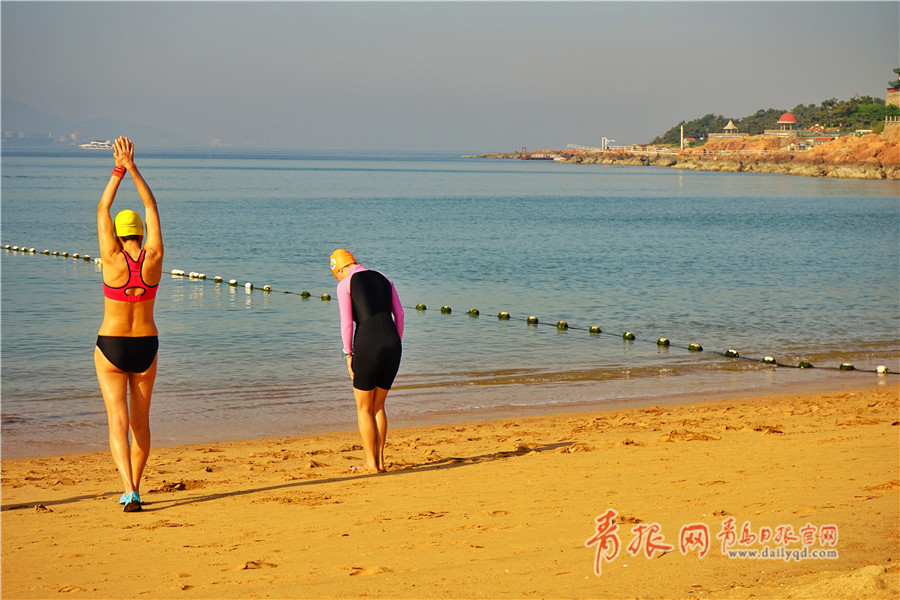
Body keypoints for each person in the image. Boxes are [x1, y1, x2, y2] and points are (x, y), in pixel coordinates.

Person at [94, 137, 163, 512]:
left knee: (116, 421)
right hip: (146, 346)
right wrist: (135, 168)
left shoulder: (111, 258)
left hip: (111, 345)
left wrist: (118, 169)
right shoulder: (153, 257)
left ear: (119, 235)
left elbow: (103, 206)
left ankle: (129, 489)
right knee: (141, 421)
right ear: (140, 232)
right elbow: (151, 205)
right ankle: (138, 483)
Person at [330, 249, 404, 472]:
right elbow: (399, 315)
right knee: (378, 406)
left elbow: (347, 324)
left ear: (340, 268)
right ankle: (380, 462)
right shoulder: (384, 277)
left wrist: (348, 353)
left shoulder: (345, 284)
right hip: (393, 343)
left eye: (336, 274)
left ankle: (371, 463)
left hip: (368, 344)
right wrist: (395, 342)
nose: (338, 279)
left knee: (364, 408)